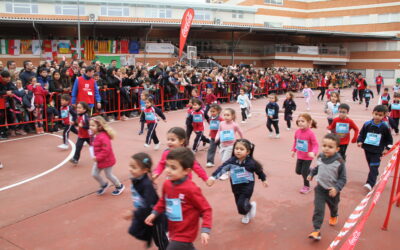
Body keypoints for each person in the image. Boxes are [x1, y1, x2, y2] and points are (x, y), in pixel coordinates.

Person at [145, 147, 212, 250]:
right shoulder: (167, 184)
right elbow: (163, 201)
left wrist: (205, 229)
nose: (168, 170)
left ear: (186, 171)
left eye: (173, 168)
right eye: (167, 166)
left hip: (186, 232)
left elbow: (206, 209)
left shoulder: (191, 189)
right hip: (173, 229)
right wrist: (154, 213)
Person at [207, 139, 268, 224]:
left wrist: (263, 179)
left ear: (248, 152)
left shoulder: (251, 163)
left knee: (241, 203)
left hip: (247, 186)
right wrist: (213, 177)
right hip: (235, 186)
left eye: (241, 149)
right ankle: (247, 211)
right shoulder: (231, 161)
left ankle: (248, 208)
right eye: (236, 148)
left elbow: (259, 171)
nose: (238, 151)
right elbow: (222, 168)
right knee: (239, 203)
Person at [125, 152, 169, 250]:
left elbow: (149, 205)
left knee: (160, 240)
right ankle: (150, 237)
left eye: (134, 167)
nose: (130, 169)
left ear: (144, 170)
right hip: (146, 214)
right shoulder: (138, 179)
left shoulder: (146, 185)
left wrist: (133, 213)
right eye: (130, 166)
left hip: (156, 217)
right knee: (135, 230)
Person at [307, 133, 347, 241]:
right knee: (318, 209)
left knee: (333, 206)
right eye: (324, 145)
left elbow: (343, 178)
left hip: (332, 191)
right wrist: (311, 174)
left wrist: (336, 188)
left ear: (337, 149)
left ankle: (334, 215)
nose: (326, 149)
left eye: (330, 147)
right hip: (320, 188)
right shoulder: (320, 156)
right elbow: (318, 167)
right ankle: (316, 230)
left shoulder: (339, 162)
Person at [357, 105, 393, 191]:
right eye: (376, 114)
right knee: (371, 165)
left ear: (384, 116)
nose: (377, 116)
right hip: (367, 149)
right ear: (372, 113)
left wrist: (387, 149)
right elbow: (361, 134)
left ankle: (370, 183)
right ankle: (374, 173)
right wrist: (359, 141)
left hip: (377, 151)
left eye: (380, 115)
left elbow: (389, 140)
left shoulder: (385, 127)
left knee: (373, 166)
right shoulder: (367, 124)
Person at [89, 116, 125, 195]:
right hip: (99, 160)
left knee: (108, 175)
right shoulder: (95, 135)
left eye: (93, 125)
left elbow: (106, 150)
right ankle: (104, 184)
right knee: (94, 174)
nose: (90, 127)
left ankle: (119, 186)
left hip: (107, 160)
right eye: (90, 125)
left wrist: (97, 157)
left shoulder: (103, 137)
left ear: (100, 126)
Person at [291, 113, 319, 194]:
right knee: (298, 171)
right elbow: (296, 142)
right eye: (298, 121)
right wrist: (293, 150)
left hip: (308, 157)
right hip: (300, 155)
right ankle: (312, 170)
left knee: (304, 173)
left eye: (302, 121)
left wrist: (313, 152)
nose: (300, 123)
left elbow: (315, 144)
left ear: (309, 122)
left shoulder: (310, 133)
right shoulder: (297, 132)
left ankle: (306, 186)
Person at [215, 108, 244, 179]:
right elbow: (219, 131)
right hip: (222, 145)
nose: (226, 117)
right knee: (223, 158)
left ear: (232, 116)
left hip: (231, 145)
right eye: (224, 115)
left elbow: (240, 132)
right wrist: (217, 137)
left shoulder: (235, 125)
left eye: (228, 115)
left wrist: (242, 140)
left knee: (224, 160)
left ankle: (225, 174)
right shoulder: (221, 123)